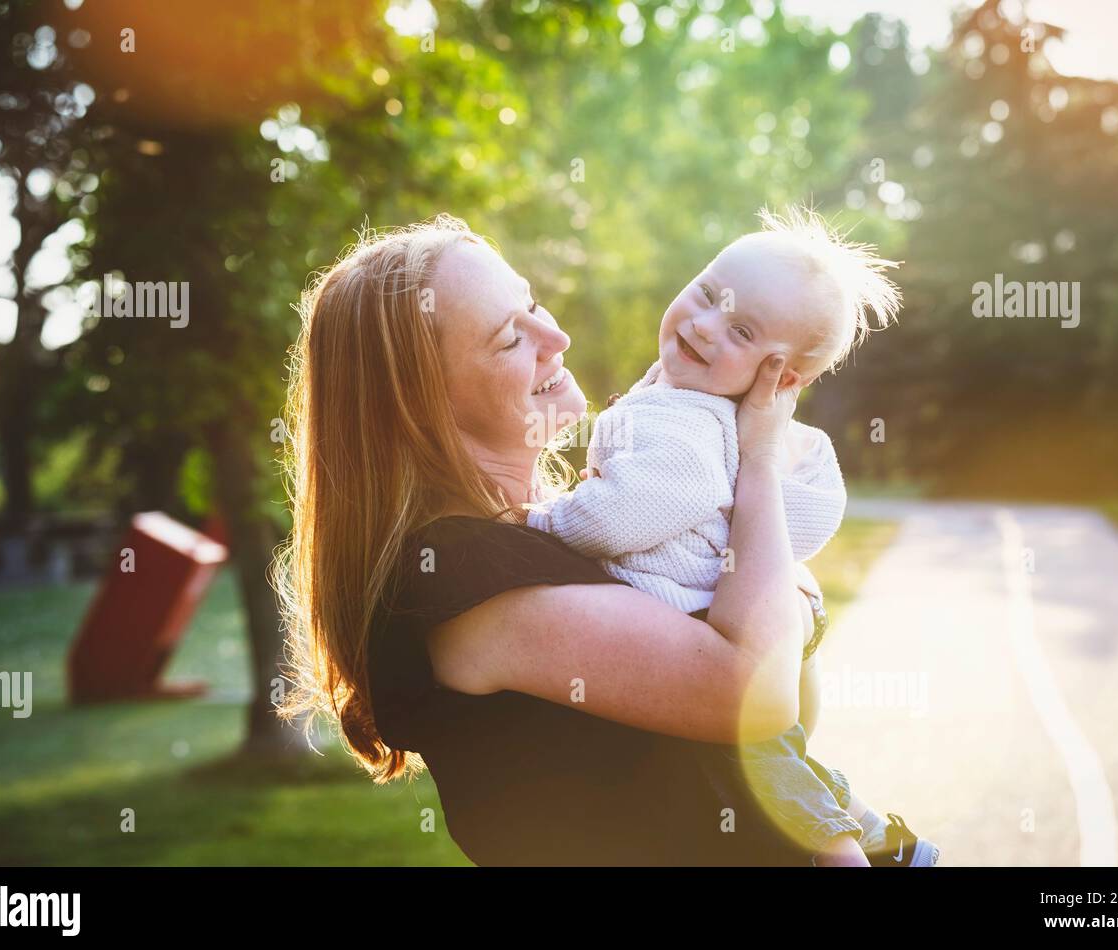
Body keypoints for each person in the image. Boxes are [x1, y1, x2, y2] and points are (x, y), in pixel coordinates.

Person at [277, 214, 849, 864]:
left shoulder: (567, 525)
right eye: (507, 339)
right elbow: (760, 698)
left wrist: (789, 601)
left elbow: (787, 726)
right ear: (421, 407)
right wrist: (762, 461)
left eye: (533, 303)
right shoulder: (466, 582)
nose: (556, 336)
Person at [524, 206, 939, 866]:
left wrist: (540, 517)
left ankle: (847, 852)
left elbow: (616, 517)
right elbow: (804, 519)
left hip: (691, 630)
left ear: (781, 379)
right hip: (725, 630)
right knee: (779, 766)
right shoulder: (695, 406)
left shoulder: (685, 425)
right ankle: (874, 832)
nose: (705, 325)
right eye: (708, 294)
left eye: (741, 330)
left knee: (768, 787)